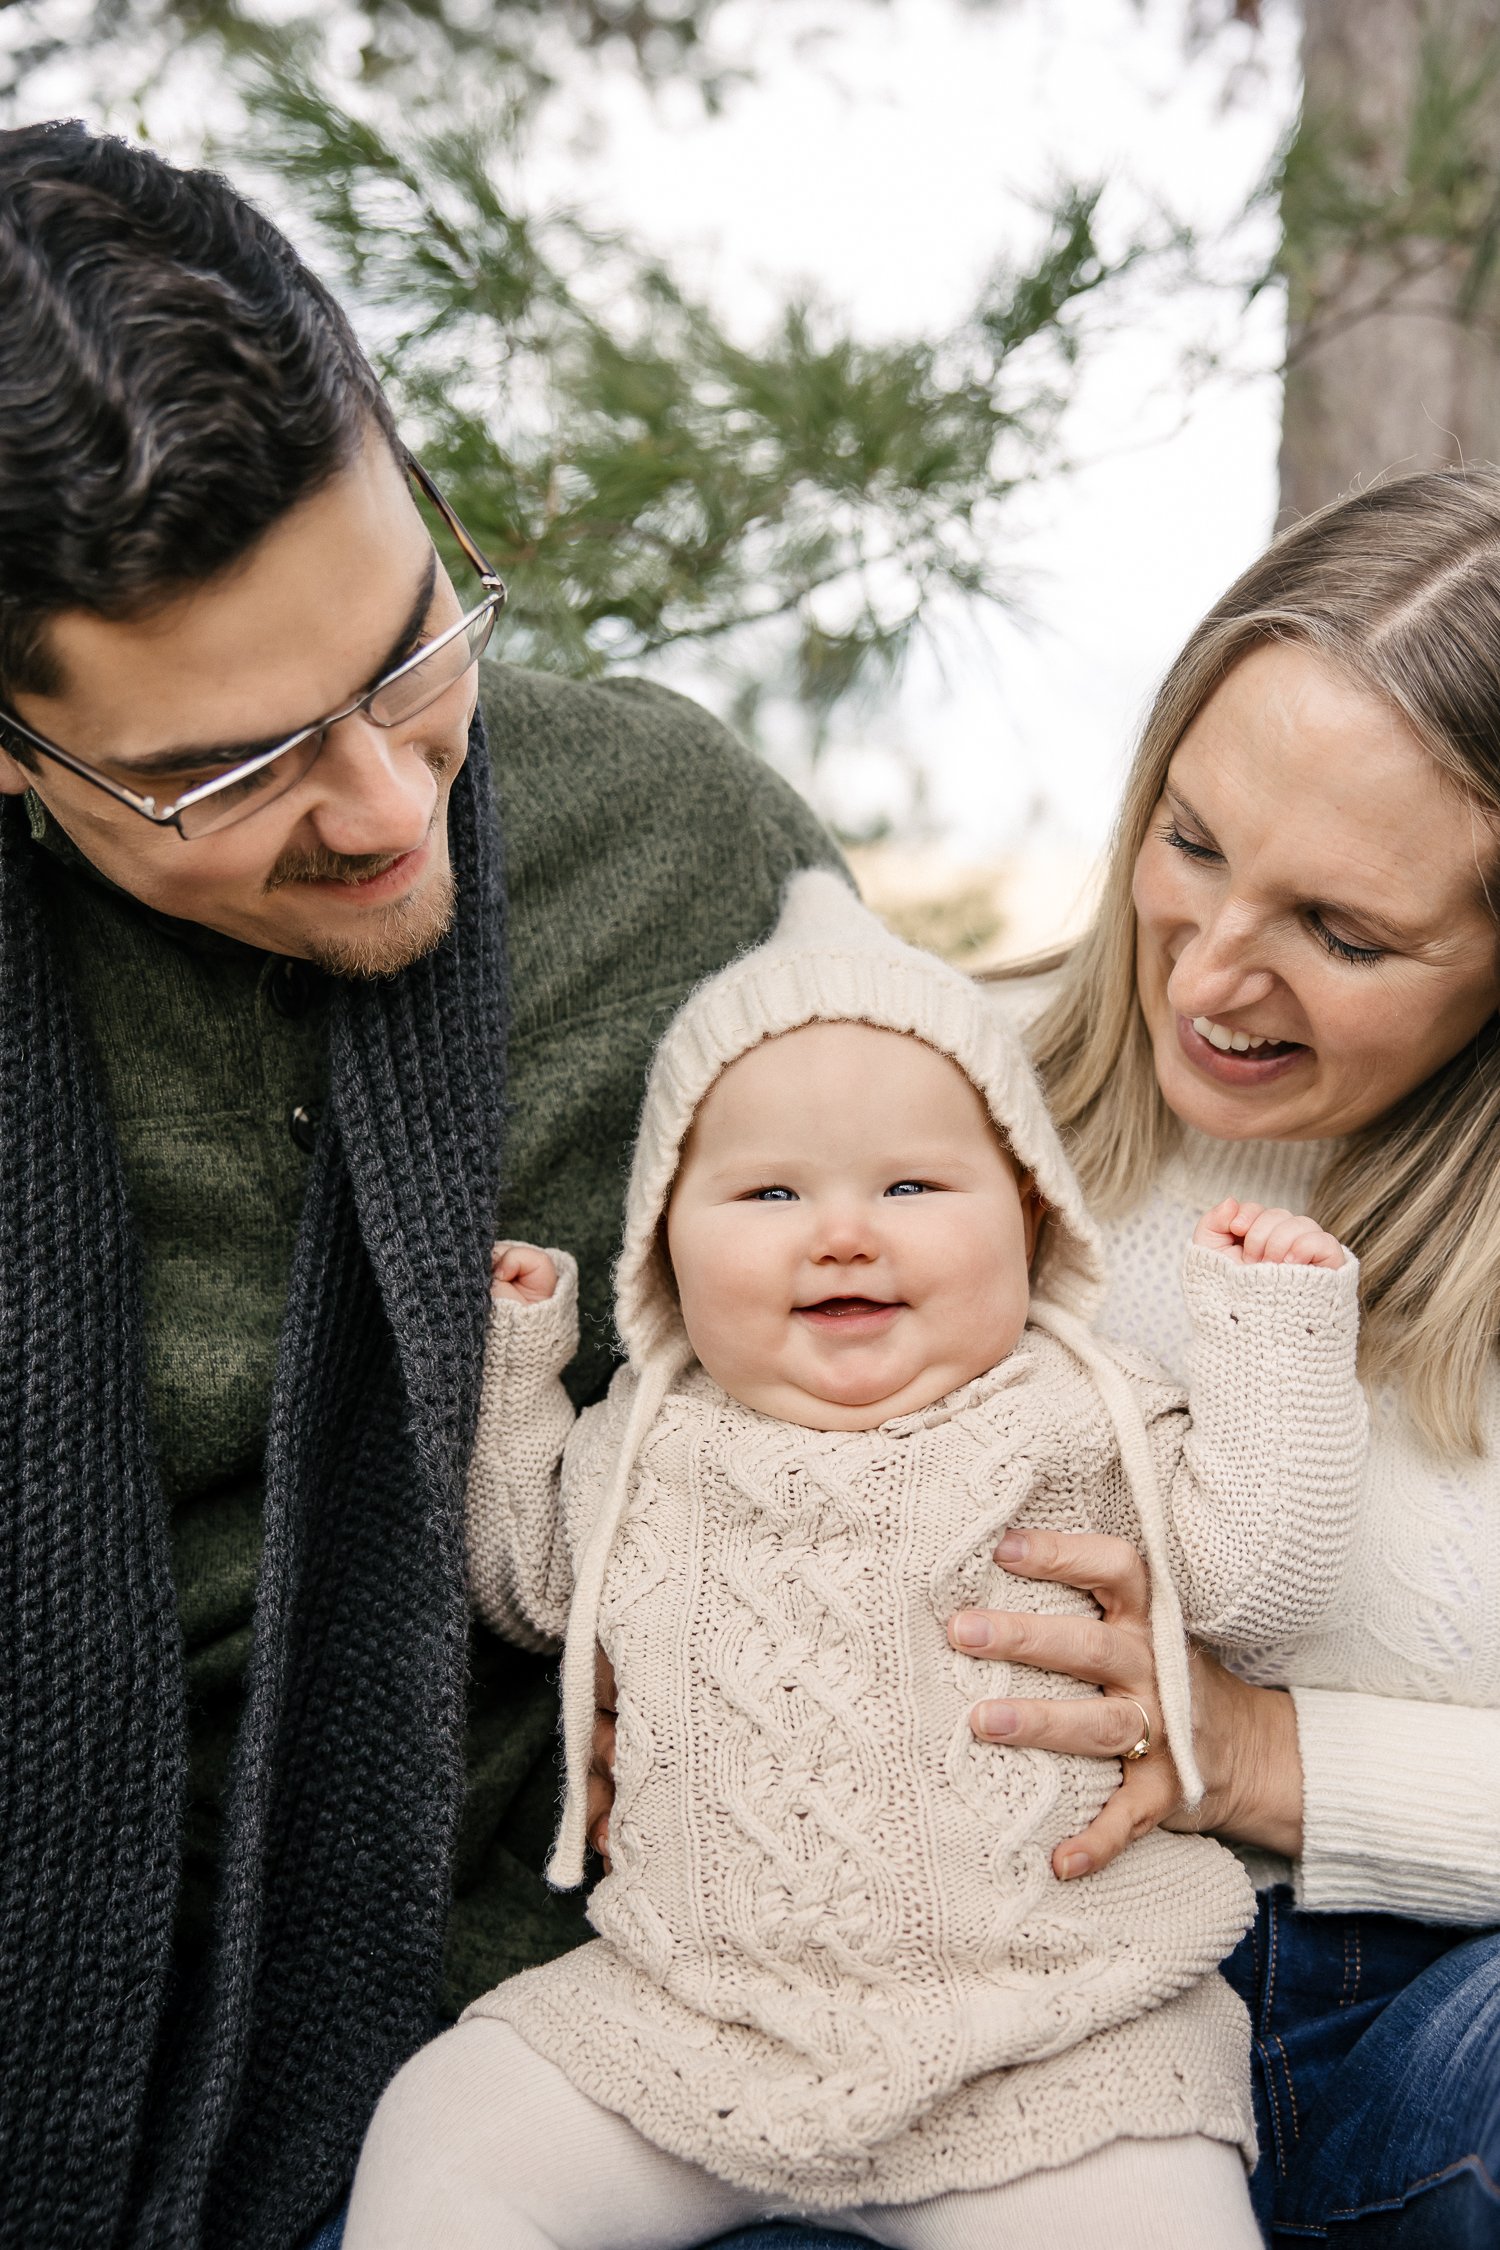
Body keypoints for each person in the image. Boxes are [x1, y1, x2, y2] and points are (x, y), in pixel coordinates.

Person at [0, 120, 839, 2250]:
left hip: (661, 2058)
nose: (384, 807)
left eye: (405, 649)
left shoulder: (685, 853)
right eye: (227, 767)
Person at [345, 870, 1367, 2249]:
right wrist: (516, 1372)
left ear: (1025, 1211)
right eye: (767, 1188)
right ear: (663, 1242)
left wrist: (1274, 1329)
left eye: (910, 1182)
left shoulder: (1076, 1414)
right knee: (443, 2126)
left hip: (1052, 2045)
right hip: (689, 2025)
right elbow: (527, 1584)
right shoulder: (644, 1439)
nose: (843, 1229)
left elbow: (1262, 1581)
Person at [923, 480, 1500, 2248]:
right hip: (986, 2018)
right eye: (1191, 843)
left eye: (1344, 931)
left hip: (1433, 2024)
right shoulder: (930, 1093)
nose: (1217, 971)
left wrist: (1250, 1751)